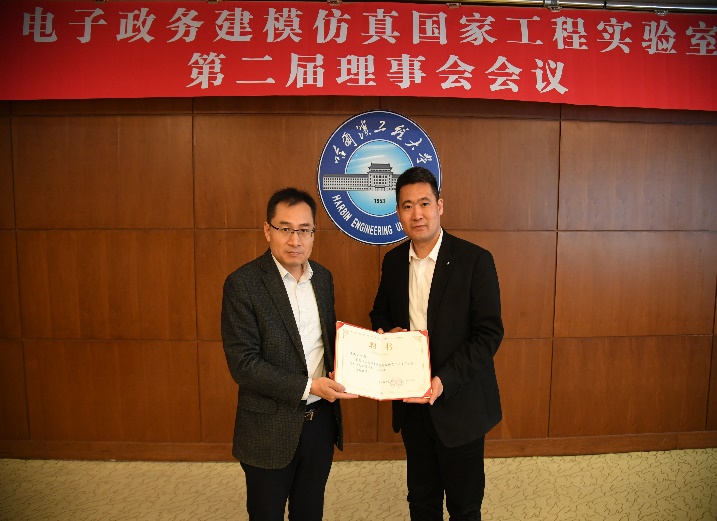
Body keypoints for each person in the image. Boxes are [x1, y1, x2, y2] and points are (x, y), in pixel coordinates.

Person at [370, 167, 504, 521]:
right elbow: (379, 312)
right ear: (398, 213)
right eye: (407, 206)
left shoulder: (475, 260)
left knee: (464, 507)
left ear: (439, 206)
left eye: (425, 203)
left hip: (461, 403)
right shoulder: (394, 262)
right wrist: (387, 333)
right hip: (412, 406)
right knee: (422, 501)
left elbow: (488, 333)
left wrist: (443, 380)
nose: (417, 214)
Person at [221, 187, 357, 521]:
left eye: (304, 230)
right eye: (285, 229)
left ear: (313, 234)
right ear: (267, 230)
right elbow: (244, 365)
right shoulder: (243, 284)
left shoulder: (322, 278)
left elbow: (327, 343)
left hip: (320, 423)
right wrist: (309, 386)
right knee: (265, 514)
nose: (295, 240)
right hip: (268, 427)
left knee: (309, 512)